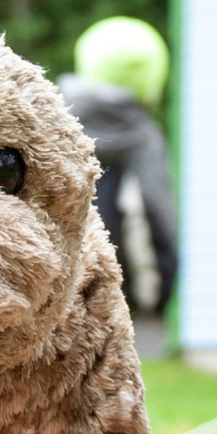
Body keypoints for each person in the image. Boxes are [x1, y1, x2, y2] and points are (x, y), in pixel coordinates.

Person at [58, 17, 177, 320]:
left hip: (52, 291)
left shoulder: (53, 123)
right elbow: (156, 212)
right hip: (119, 295)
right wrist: (156, 295)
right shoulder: (143, 138)